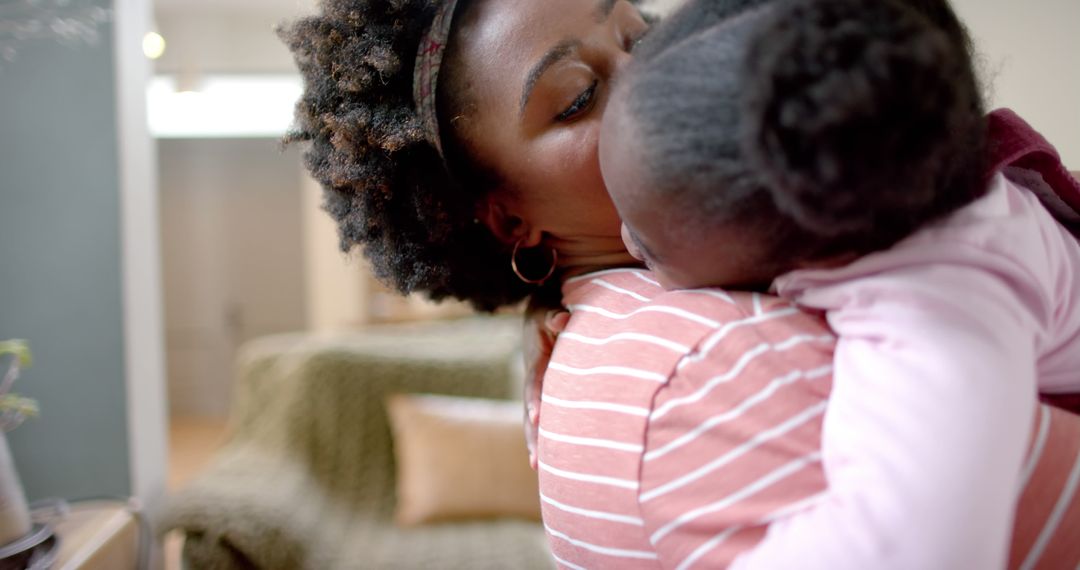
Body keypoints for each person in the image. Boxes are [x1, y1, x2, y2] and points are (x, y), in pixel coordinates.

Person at [279, 0, 1080, 568]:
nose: (658, 82)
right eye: (580, 98)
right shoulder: (708, 359)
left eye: (643, 33)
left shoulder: (890, 265)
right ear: (507, 220)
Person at [597, 0, 1080, 568]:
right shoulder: (894, 182)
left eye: (650, 245)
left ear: (809, 246)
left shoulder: (937, 311)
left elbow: (915, 549)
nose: (625, 242)